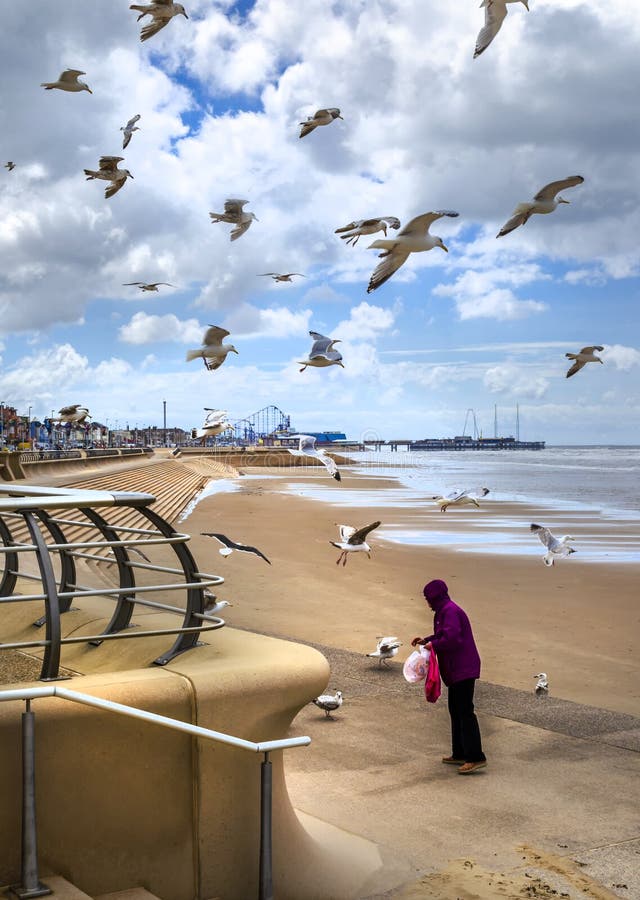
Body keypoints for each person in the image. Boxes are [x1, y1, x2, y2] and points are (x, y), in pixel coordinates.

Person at [411, 579, 487, 774]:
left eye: (428, 599)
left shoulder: (450, 611)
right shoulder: (443, 611)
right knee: (455, 709)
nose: (427, 603)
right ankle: (460, 753)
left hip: (463, 668)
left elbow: (451, 639)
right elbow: (443, 634)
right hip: (455, 670)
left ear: (436, 598)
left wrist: (433, 646)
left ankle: (476, 757)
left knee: (465, 711)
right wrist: (426, 640)